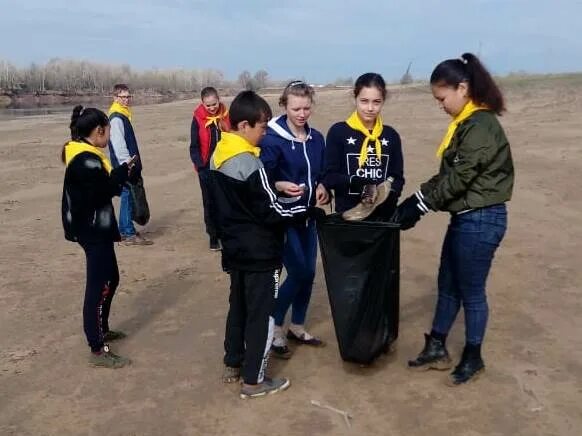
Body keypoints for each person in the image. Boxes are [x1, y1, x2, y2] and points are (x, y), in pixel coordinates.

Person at [390, 53, 514, 385]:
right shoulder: (465, 126)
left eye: (442, 98)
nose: (440, 105)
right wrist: (412, 202)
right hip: (465, 220)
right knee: (447, 286)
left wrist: (420, 206)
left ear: (462, 88)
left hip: (483, 220)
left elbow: (459, 179)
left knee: (471, 292)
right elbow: (445, 176)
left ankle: (473, 357)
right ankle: (437, 347)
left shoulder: (482, 125)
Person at [209, 91, 308, 399]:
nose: (265, 133)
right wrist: (304, 208)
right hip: (260, 253)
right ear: (243, 125)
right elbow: (270, 210)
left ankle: (233, 363)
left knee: (238, 306)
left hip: (235, 249)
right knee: (262, 314)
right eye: (262, 127)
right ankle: (254, 380)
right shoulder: (251, 164)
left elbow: (227, 206)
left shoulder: (217, 155)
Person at [61, 105, 136, 368]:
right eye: (108, 132)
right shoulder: (86, 160)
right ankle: (96, 347)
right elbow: (105, 191)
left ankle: (102, 328)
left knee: (111, 277)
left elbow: (101, 190)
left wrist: (118, 174)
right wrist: (121, 172)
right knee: (98, 286)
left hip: (96, 227)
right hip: (90, 230)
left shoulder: (87, 154)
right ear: (99, 131)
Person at [259, 81, 329, 359]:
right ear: (284, 106)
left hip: (309, 214)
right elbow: (262, 177)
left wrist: (322, 186)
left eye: (306, 108)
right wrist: (279, 185)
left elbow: (321, 172)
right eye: (296, 108)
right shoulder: (272, 139)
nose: (302, 113)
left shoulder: (317, 138)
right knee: (298, 271)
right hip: (283, 216)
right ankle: (275, 326)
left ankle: (297, 326)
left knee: (309, 272)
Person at [323, 73, 404, 218]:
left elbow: (397, 177)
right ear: (355, 99)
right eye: (364, 101)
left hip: (382, 219)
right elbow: (329, 177)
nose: (370, 108)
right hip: (348, 217)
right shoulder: (338, 132)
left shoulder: (391, 135)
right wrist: (355, 181)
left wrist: (388, 197)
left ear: (383, 101)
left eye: (376, 102)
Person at [108, 83, 153, 246]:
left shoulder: (123, 115)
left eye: (128, 96)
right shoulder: (116, 118)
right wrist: (127, 164)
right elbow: (118, 144)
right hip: (124, 164)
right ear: (115, 98)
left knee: (127, 195)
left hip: (126, 163)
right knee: (127, 195)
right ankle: (127, 232)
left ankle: (125, 229)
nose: (126, 100)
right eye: (123, 97)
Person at [190, 86, 231, 250]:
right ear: (202, 104)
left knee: (226, 201)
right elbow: (194, 146)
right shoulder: (197, 119)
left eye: (214, 104)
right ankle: (213, 237)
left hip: (225, 166)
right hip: (206, 168)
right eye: (208, 105)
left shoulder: (227, 116)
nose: (212, 108)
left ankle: (227, 233)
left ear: (218, 100)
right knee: (210, 203)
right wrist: (200, 167)